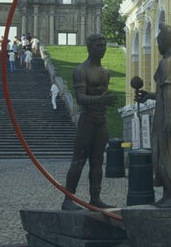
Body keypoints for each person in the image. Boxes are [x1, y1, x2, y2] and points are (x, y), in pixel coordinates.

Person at [62, 34, 117, 210]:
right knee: (78, 160)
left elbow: (101, 94)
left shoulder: (105, 72)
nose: (103, 48)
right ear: (90, 47)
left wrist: (106, 99)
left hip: (101, 119)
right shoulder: (81, 70)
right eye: (99, 45)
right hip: (87, 119)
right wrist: (101, 100)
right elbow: (80, 97)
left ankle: (95, 197)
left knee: (97, 160)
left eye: (104, 45)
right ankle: (68, 199)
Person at [136, 24, 171, 208]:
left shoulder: (166, 63)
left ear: (164, 42)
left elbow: (170, 92)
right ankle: (167, 195)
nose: (157, 44)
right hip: (169, 108)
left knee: (162, 153)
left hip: (166, 112)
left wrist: (168, 119)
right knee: (168, 153)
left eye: (158, 41)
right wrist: (149, 95)